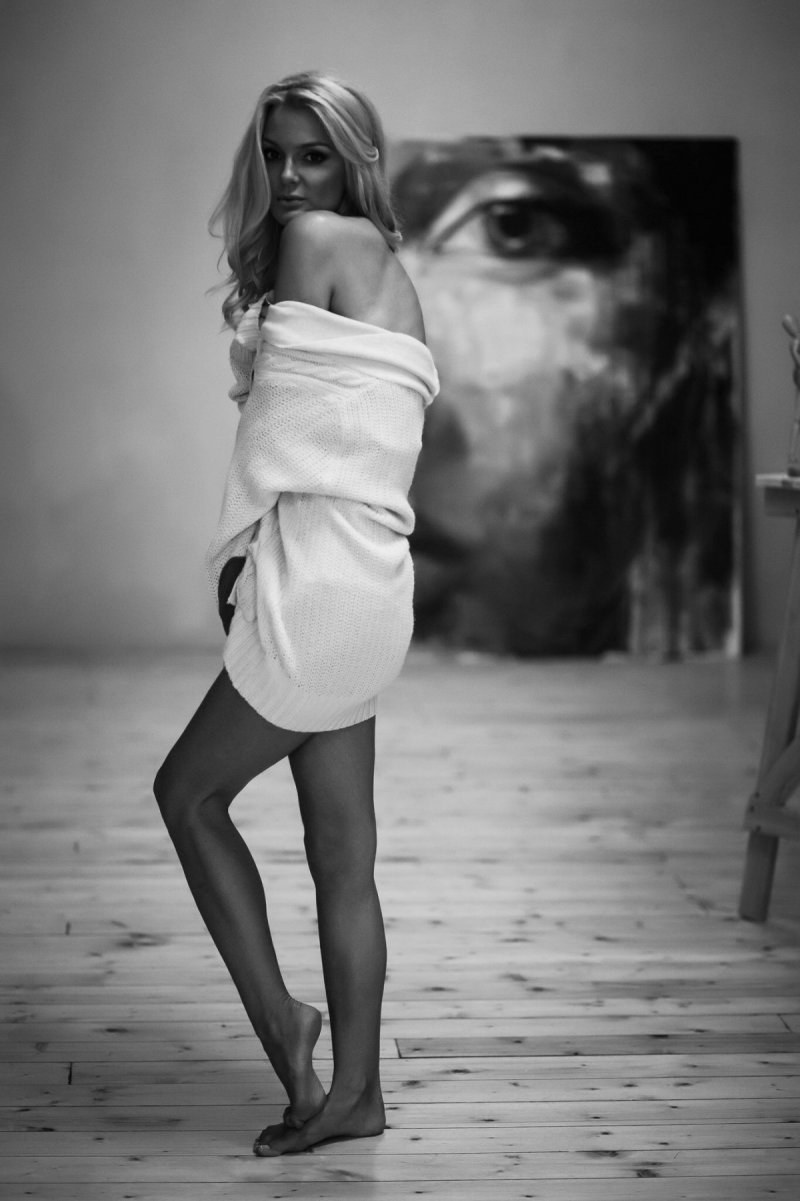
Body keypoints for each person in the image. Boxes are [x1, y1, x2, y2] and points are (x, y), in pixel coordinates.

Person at [153, 71, 438, 1157]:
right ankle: (356, 1094)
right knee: (341, 858)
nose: (287, 177)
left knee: (187, 793)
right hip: (371, 586)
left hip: (316, 582)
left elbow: (275, 431)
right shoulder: (388, 265)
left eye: (312, 154)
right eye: (273, 153)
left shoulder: (316, 241)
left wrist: (242, 553)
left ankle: (284, 1023)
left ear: (353, 160)